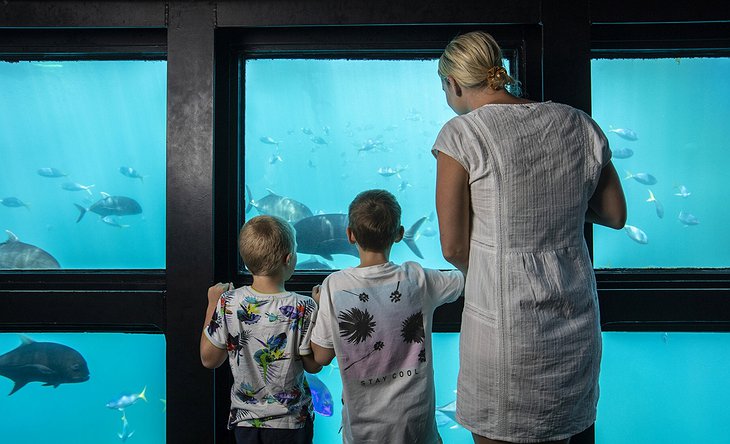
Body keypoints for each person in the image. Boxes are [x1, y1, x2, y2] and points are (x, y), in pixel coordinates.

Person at [433, 31, 627, 444]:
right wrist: (564, 209)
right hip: (572, 323)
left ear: (452, 83)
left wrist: (490, 268)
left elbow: (452, 246)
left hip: (503, 329)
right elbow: (614, 215)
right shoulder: (577, 123)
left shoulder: (461, 134)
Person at [310, 189, 465, 444]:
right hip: (416, 427)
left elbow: (321, 356)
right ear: (400, 234)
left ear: (349, 235)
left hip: (363, 431)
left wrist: (321, 307)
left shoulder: (333, 287)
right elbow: (466, 279)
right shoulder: (419, 278)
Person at [200, 215, 322, 444]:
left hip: (246, 423)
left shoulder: (228, 302)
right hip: (291, 423)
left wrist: (211, 305)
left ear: (246, 262)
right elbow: (313, 365)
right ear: (289, 259)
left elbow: (209, 359)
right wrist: (322, 311)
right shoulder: (304, 306)